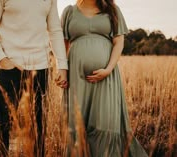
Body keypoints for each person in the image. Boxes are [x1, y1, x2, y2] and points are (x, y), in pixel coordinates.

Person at [0, 0, 68, 156]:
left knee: (38, 126)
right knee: (3, 123)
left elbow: (54, 30)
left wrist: (62, 64)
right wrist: (2, 59)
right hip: (11, 68)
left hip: (41, 68)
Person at [61, 0, 148, 156]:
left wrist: (108, 69)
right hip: (76, 77)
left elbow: (119, 42)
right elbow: (63, 43)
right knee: (78, 123)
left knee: (105, 122)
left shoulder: (112, 10)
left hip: (106, 77)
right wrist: (62, 70)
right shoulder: (69, 12)